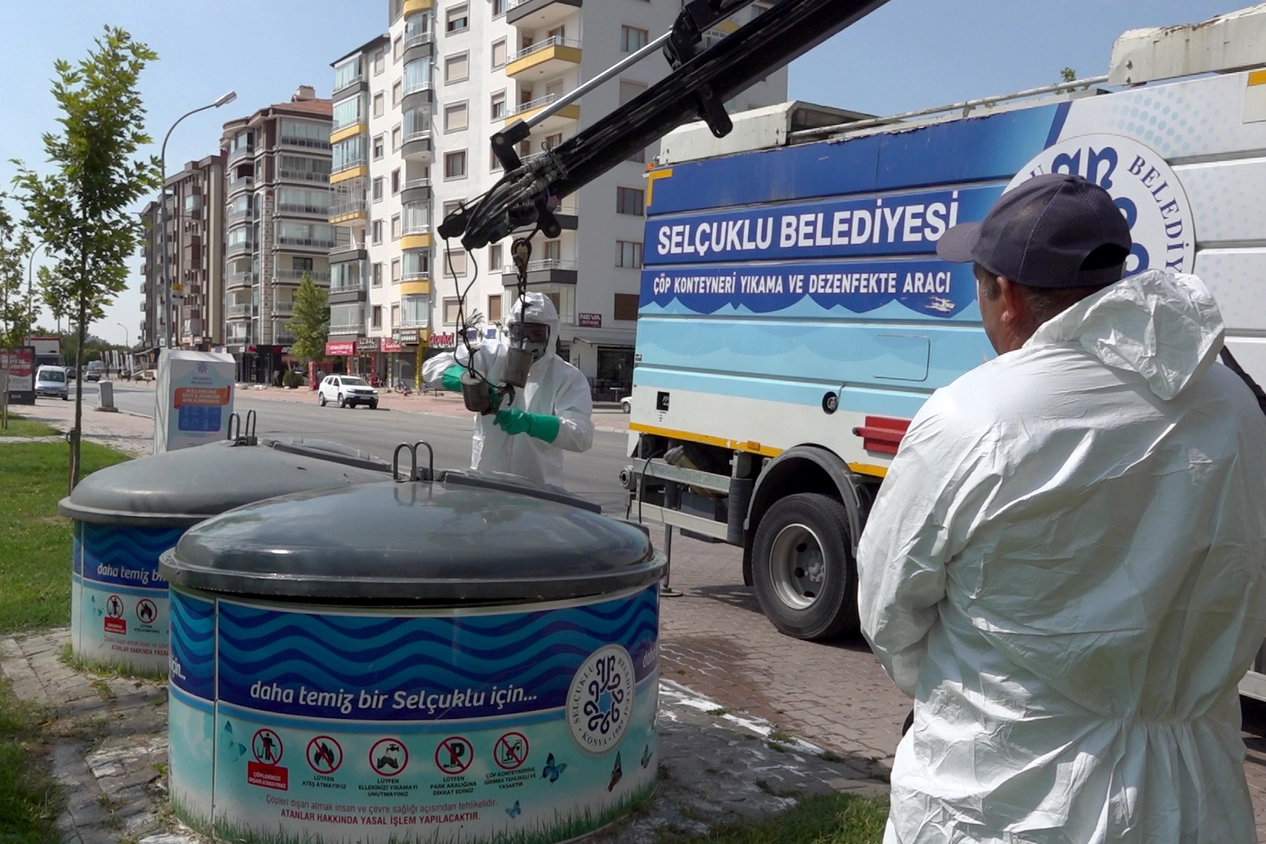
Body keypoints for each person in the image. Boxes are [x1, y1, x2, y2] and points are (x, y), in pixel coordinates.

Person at [856, 173, 1266, 842]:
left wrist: (960, 689)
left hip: (1002, 796)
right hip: (1192, 796)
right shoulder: (1236, 406)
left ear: (1007, 295)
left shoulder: (972, 417)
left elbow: (889, 612)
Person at [423, 292, 593, 487]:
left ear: (551, 333)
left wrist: (531, 423)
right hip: (486, 482)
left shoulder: (566, 376)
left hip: (538, 490)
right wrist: (467, 380)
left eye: (536, 333)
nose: (526, 341)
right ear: (509, 329)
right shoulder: (490, 354)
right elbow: (431, 368)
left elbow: (581, 436)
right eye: (519, 332)